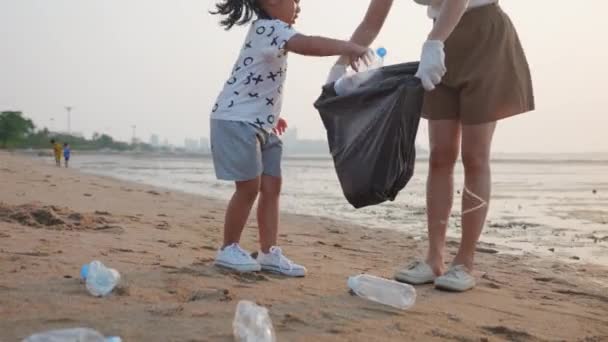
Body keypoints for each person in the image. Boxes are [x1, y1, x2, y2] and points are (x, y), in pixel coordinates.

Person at [330, 0, 534, 291]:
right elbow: (370, 23)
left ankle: (464, 262)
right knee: (440, 155)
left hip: (484, 36)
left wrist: (433, 43)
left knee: (474, 155)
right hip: (440, 40)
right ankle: (434, 258)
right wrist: (338, 69)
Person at [209, 0, 370, 276]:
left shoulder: (272, 31)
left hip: (262, 122)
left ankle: (269, 252)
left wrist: (272, 114)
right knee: (249, 187)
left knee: (272, 186)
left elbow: (259, 80)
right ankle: (228, 247)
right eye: (294, 0)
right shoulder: (269, 29)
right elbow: (308, 45)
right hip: (237, 119)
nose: (299, 7)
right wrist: (347, 46)